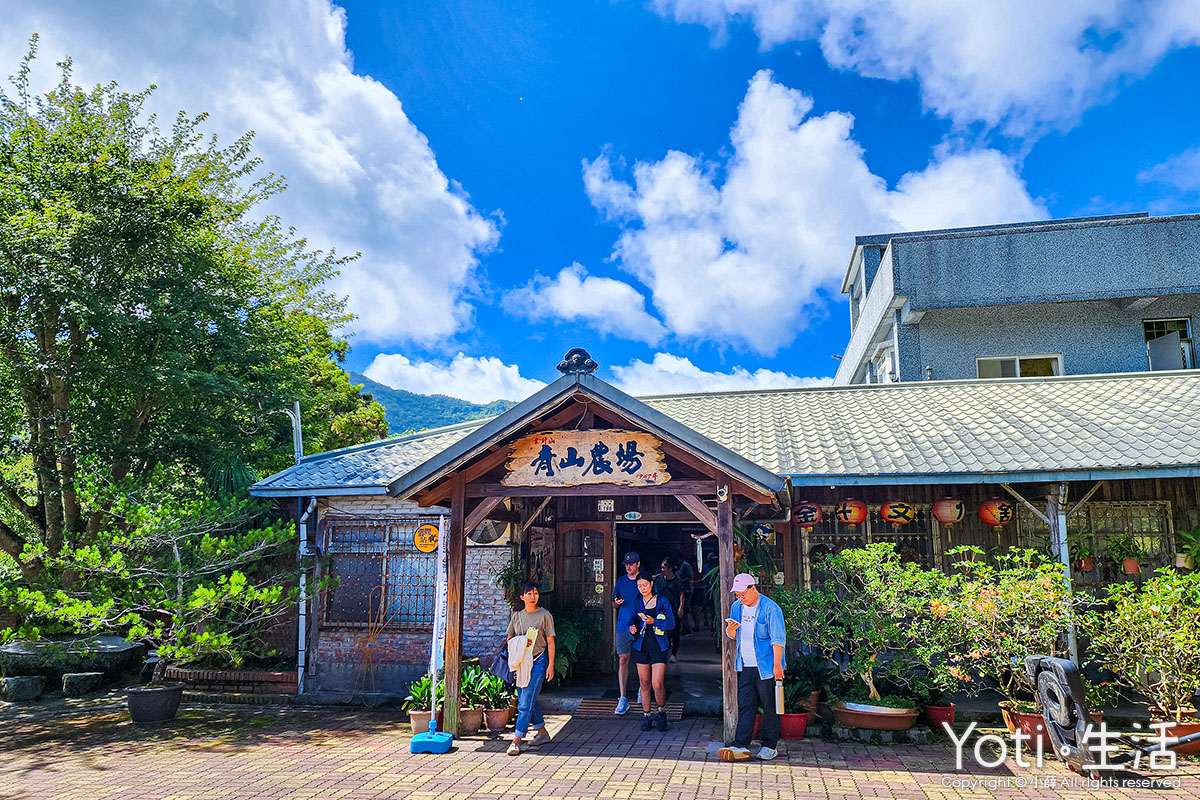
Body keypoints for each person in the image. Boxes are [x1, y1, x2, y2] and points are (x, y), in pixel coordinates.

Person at [718, 573, 786, 762]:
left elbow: (778, 639)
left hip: (766, 667)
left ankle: (769, 746)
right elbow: (732, 635)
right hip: (745, 664)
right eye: (737, 595)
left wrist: (777, 665)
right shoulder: (737, 607)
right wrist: (731, 629)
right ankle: (740, 744)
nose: (740, 598)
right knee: (747, 705)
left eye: (742, 594)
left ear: (752, 588)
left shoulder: (770, 608)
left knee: (770, 706)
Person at [505, 581, 555, 756]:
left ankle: (517, 740)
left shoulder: (545, 615)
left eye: (535, 593)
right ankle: (541, 732)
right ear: (522, 597)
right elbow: (509, 639)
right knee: (528, 698)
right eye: (529, 594)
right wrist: (520, 642)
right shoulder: (517, 616)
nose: (533, 597)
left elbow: (550, 641)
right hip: (521, 663)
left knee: (525, 703)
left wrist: (551, 665)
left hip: (538, 661)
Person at [630, 569, 675, 731]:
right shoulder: (637, 603)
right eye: (639, 586)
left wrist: (654, 621)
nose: (642, 588)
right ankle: (647, 715)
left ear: (652, 584)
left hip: (659, 645)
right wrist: (633, 627)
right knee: (644, 683)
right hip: (640, 646)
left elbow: (672, 623)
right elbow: (632, 620)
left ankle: (661, 711)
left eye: (645, 585)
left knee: (657, 683)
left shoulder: (662, 601)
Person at [611, 551, 641, 715]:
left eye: (632, 564)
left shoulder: (643, 580)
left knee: (641, 660)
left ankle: (642, 690)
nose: (628, 566)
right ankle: (622, 697)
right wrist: (616, 603)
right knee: (623, 659)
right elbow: (613, 604)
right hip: (623, 625)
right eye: (626, 564)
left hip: (640, 626)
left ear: (638, 564)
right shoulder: (621, 581)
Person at [654, 557, 684, 662]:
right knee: (663, 630)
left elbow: (681, 594)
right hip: (662, 610)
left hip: (674, 608)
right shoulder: (659, 579)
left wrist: (681, 608)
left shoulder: (678, 580)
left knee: (675, 631)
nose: (661, 570)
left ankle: (674, 654)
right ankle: (664, 651)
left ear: (670, 568)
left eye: (663, 567)